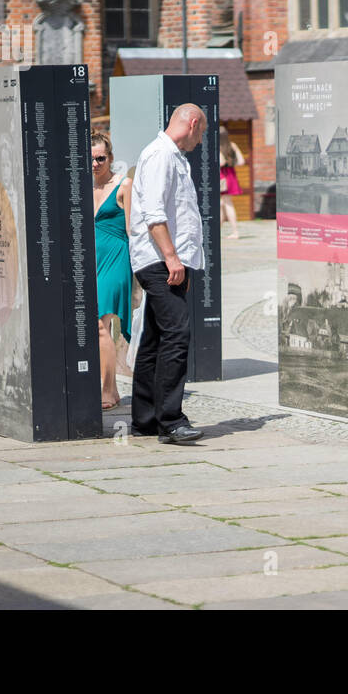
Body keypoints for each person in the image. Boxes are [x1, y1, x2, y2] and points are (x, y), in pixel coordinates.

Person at [128, 104, 207, 445]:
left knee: (155, 337)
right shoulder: (161, 154)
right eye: (201, 132)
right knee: (177, 334)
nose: (201, 139)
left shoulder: (170, 155)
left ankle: (146, 418)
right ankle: (171, 421)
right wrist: (173, 258)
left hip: (164, 260)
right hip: (161, 261)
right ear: (192, 124)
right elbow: (154, 214)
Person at [91, 129, 132, 411]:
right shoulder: (84, 186)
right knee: (99, 326)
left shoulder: (124, 185)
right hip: (90, 259)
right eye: (90, 159)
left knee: (100, 324)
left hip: (117, 257)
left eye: (101, 158)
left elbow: (133, 228)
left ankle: (106, 390)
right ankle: (113, 388)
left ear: (111, 157)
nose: (95, 164)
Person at [219, 126, 246, 240]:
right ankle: (231, 231)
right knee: (225, 204)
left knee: (223, 204)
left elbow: (221, 163)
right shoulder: (232, 145)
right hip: (231, 176)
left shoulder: (217, 146)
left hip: (221, 177)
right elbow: (241, 161)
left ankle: (230, 232)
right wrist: (231, 162)